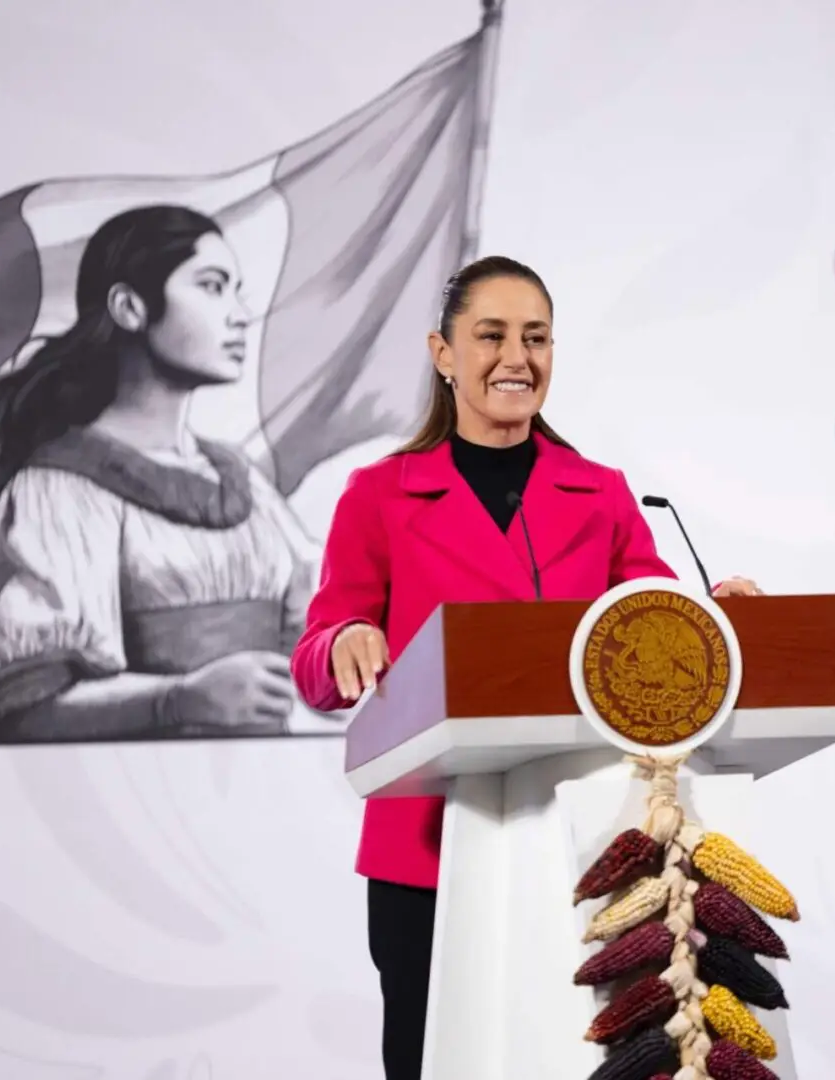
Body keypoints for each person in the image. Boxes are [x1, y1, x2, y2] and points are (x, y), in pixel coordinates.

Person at [289, 255, 761, 1080]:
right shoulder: (380, 494)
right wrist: (342, 642)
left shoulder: (601, 494)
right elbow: (317, 654)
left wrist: (716, 614)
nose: (517, 357)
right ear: (443, 353)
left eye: (535, 338)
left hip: (576, 841)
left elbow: (652, 616)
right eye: (492, 336)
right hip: (428, 851)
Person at [0, 204, 317, 745]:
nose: (239, 314)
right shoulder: (61, 488)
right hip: (129, 786)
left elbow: (314, 633)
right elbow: (20, 708)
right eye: (212, 287)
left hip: (260, 780)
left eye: (236, 290)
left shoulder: (244, 482)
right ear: (129, 307)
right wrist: (180, 698)